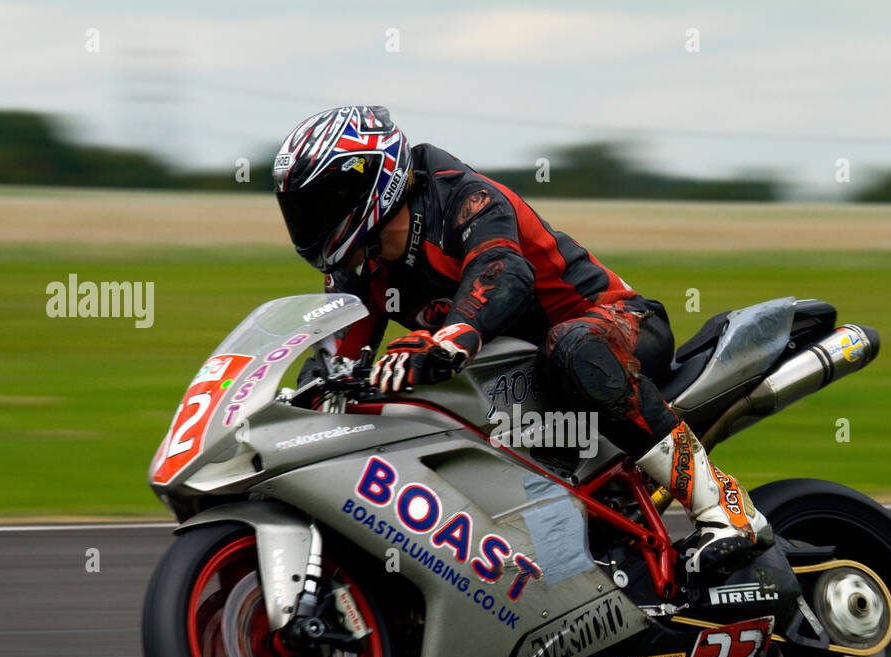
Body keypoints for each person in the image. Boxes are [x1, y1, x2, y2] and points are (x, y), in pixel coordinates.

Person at [272, 105, 772, 575]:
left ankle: (727, 509)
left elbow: (503, 271)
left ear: (371, 182)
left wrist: (449, 339)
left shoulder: (465, 198)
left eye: (319, 204)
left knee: (570, 347)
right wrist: (305, 398)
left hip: (617, 327)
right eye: (299, 209)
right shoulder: (360, 265)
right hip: (520, 375)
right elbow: (333, 353)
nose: (309, 222)